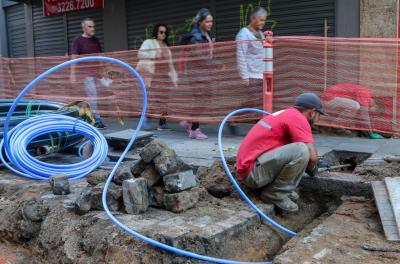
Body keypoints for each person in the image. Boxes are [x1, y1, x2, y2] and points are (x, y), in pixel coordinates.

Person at [236, 93, 324, 213]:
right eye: (319, 115)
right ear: (312, 112)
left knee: (298, 150)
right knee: (301, 150)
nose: (318, 120)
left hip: (251, 166)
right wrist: (313, 169)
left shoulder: (287, 113)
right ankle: (274, 194)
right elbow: (312, 156)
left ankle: (277, 188)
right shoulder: (298, 118)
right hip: (252, 173)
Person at [179, 8, 215, 140]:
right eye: (207, 21)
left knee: (205, 97)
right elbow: (199, 57)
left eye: (211, 21)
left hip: (203, 73)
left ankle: (188, 121)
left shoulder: (205, 34)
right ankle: (194, 130)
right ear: (200, 22)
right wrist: (216, 63)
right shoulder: (196, 37)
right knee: (201, 100)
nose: (210, 24)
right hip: (196, 74)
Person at [137, 24, 178, 131]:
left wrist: (174, 77)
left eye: (165, 32)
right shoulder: (149, 42)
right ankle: (147, 118)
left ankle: (162, 122)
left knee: (165, 100)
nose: (163, 34)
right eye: (161, 32)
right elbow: (140, 54)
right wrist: (154, 56)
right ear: (156, 32)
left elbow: (170, 63)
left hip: (165, 76)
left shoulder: (165, 45)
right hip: (154, 75)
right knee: (154, 99)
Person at [70, 18, 107, 129]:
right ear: (84, 27)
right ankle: (97, 120)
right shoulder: (78, 40)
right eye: (90, 26)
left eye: (93, 26)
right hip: (87, 74)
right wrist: (72, 74)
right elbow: (74, 57)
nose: (92, 28)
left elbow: (100, 56)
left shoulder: (96, 40)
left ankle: (86, 115)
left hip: (98, 74)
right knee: (93, 96)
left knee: (104, 92)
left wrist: (104, 71)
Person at [236, 6, 266, 104]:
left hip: (261, 75)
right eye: (261, 20)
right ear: (253, 18)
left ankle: (236, 118)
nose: (263, 23)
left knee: (259, 103)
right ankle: (234, 118)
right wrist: (244, 77)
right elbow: (241, 56)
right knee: (253, 103)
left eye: (264, 20)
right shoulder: (244, 34)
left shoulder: (261, 34)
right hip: (251, 76)